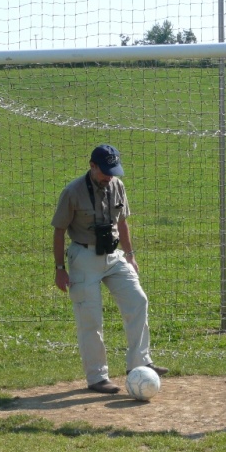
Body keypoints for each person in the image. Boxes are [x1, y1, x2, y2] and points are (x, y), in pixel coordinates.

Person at [51, 144, 168, 394]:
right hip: (84, 256)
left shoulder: (117, 185)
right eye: (105, 171)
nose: (109, 177)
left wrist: (130, 255)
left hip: (114, 256)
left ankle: (140, 363)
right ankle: (97, 377)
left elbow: (122, 222)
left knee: (138, 300)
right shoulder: (72, 192)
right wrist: (60, 268)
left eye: (113, 172)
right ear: (92, 166)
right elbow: (59, 230)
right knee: (91, 319)